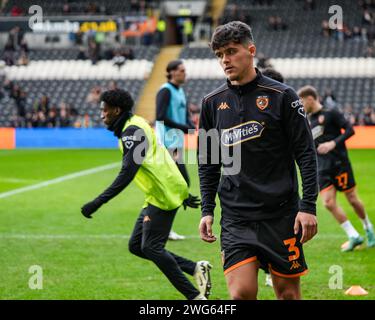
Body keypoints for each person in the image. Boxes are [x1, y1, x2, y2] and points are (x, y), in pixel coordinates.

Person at [198, 21, 318, 300]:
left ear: (251, 50)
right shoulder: (211, 103)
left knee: (288, 294)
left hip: (282, 215)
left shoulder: (283, 97)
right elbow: (208, 162)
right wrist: (206, 209)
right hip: (236, 217)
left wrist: (308, 206)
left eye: (231, 51)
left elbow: (306, 153)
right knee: (241, 293)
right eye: (219, 54)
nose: (225, 59)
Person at [81, 89, 212, 300]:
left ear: (116, 110)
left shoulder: (132, 132)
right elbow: (160, 158)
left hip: (162, 195)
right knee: (136, 246)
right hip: (161, 191)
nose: (102, 115)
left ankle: (196, 298)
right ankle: (196, 268)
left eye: (105, 110)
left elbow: (127, 173)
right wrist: (182, 192)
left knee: (151, 247)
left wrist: (97, 202)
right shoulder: (135, 124)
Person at [298, 85, 375, 251]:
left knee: (352, 199)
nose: (302, 106)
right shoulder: (307, 121)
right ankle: (353, 235)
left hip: (340, 163)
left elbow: (350, 130)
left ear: (310, 99)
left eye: (302, 102)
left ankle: (368, 227)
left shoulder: (331, 113)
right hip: (322, 168)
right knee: (328, 203)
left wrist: (333, 143)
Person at [155, 60, 198, 241]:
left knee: (173, 185)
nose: (184, 73)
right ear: (171, 72)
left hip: (175, 144)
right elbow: (160, 116)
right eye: (181, 70)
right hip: (166, 143)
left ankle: (161, 228)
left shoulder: (180, 91)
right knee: (180, 183)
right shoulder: (165, 90)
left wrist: (191, 126)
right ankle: (161, 228)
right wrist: (183, 127)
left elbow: (185, 116)